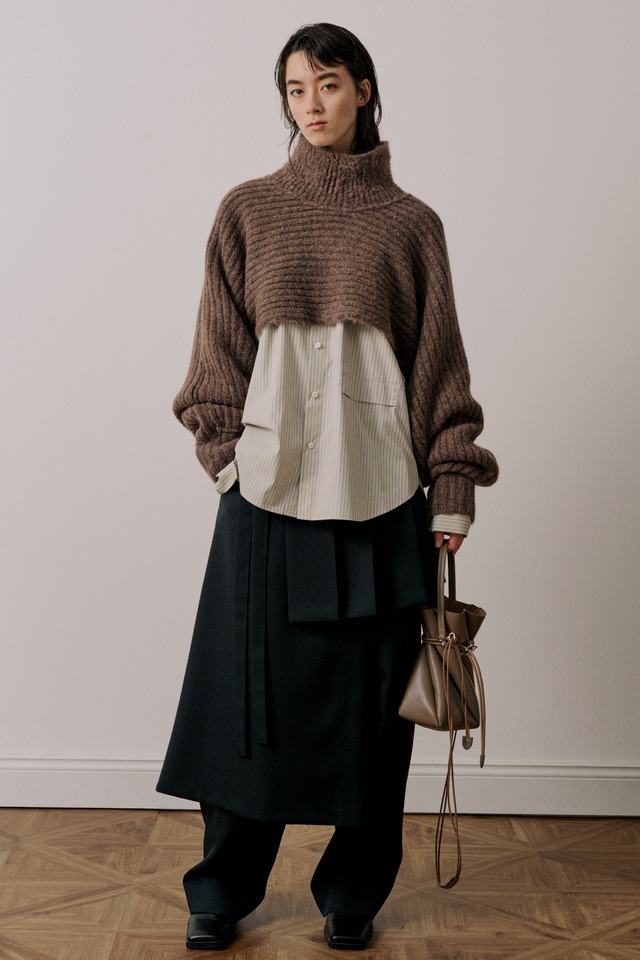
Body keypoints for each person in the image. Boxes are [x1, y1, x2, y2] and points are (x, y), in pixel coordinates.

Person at [156, 22, 498, 952]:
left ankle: (353, 892)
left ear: (365, 90)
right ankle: (221, 889)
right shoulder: (248, 211)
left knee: (375, 705)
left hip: (382, 496)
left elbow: (439, 369)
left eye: (329, 84)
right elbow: (216, 354)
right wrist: (226, 459)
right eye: (295, 89)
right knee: (246, 700)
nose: (311, 104)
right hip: (266, 497)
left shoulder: (411, 224)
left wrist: (451, 486)